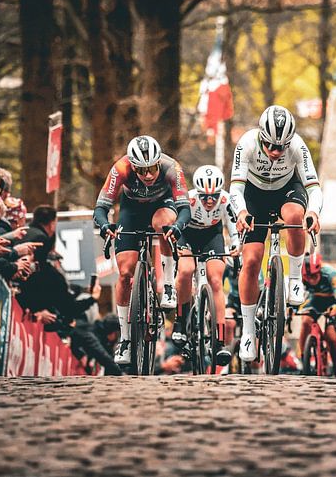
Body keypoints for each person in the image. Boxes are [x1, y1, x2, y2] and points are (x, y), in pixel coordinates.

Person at [230, 105, 322, 362]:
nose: (275, 152)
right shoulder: (246, 143)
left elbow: (314, 189)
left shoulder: (297, 146)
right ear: (261, 136)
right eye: (270, 145)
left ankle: (294, 279)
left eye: (281, 147)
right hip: (254, 195)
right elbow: (235, 190)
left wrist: (313, 213)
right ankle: (249, 329)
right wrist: (240, 213)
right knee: (250, 261)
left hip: (286, 191)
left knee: (295, 217)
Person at [93, 135, 190, 366]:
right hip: (131, 211)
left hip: (162, 206)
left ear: (159, 162)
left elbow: (185, 208)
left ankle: (168, 285)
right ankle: (126, 339)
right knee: (125, 273)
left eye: (152, 169)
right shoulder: (121, 168)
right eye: (141, 171)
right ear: (133, 166)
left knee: (163, 225)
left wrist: (177, 227)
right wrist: (105, 225)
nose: (148, 175)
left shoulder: (171, 168)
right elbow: (100, 208)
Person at [173, 165, 239, 366]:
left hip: (212, 235)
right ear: (198, 194)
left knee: (216, 281)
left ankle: (219, 342)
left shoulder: (226, 200)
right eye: (204, 197)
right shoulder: (188, 199)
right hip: (187, 234)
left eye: (214, 196)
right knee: (186, 270)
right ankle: (181, 321)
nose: (210, 201)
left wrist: (236, 244)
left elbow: (233, 226)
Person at [296, 252, 336, 376]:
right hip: (315, 300)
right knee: (306, 321)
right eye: (308, 277)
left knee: (331, 336)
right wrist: (291, 308)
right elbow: (296, 296)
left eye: (314, 275)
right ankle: (304, 362)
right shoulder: (300, 276)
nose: (312, 280)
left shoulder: (331, 274)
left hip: (334, 300)